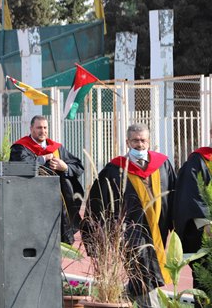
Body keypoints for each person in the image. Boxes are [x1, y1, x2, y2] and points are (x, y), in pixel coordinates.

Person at [83, 123, 176, 308]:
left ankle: (120, 298)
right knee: (144, 272)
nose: (139, 145)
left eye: (143, 140)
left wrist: (177, 223)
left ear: (149, 141)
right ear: (127, 142)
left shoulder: (162, 164)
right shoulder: (114, 169)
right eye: (135, 141)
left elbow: (175, 195)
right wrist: (102, 233)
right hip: (130, 231)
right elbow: (98, 200)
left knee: (146, 273)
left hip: (158, 229)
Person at [10, 115, 84, 243]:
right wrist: (43, 159)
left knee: (60, 241)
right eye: (39, 127)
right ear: (31, 129)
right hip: (33, 204)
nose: (43, 131)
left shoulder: (57, 148)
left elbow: (78, 166)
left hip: (58, 204)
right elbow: (20, 167)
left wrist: (65, 167)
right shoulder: (21, 148)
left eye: (45, 127)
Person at [174, 130, 212, 306]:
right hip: (207, 235)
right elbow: (191, 194)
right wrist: (206, 223)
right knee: (206, 283)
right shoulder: (199, 160)